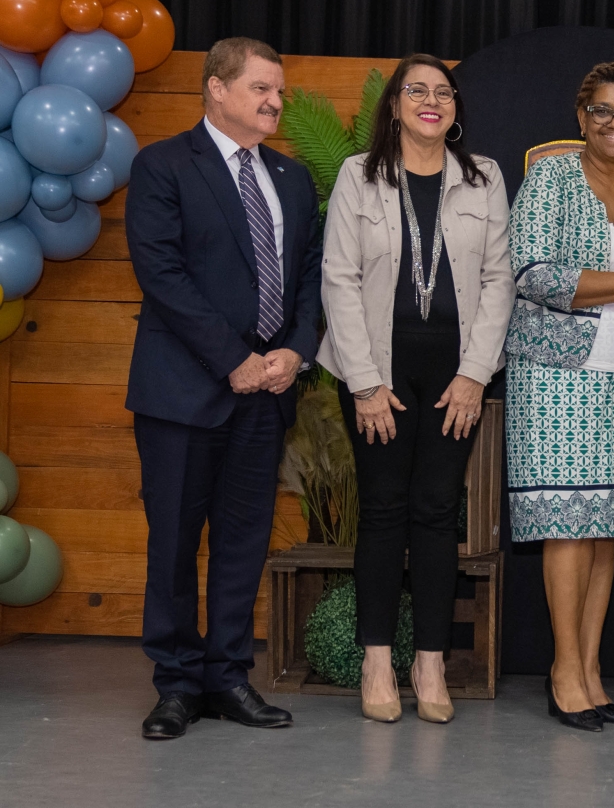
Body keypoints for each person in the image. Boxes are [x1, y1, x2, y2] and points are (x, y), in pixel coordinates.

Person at [126, 38, 322, 739]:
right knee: (175, 544)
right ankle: (177, 685)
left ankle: (229, 678)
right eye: (261, 88)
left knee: (243, 543)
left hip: (267, 394)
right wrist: (233, 358)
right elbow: (161, 273)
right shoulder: (162, 165)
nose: (275, 102)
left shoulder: (292, 179)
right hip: (183, 392)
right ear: (216, 88)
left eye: (280, 91)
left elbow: (309, 277)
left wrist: (297, 349)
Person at [318, 54, 514, 724]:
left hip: (455, 372)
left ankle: (430, 663)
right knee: (382, 510)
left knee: (435, 511)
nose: (432, 100)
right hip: (378, 367)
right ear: (396, 104)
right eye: (417, 90)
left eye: (443, 92)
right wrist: (365, 384)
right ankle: (377, 660)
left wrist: (475, 374)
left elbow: (498, 280)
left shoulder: (483, 177)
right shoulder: (359, 174)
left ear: (455, 108)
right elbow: (338, 278)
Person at [505, 62, 614, 732]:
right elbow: (531, 272)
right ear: (582, 118)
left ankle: (590, 670)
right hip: (557, 377)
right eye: (602, 111)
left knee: (605, 529)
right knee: (568, 524)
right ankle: (563, 673)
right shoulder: (551, 179)